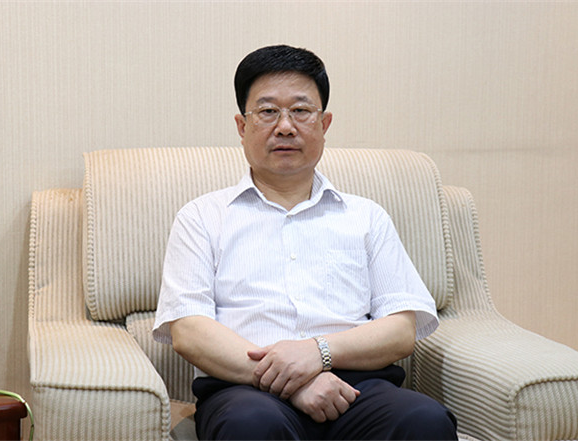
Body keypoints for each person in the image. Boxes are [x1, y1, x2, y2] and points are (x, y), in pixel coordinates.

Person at [153, 44, 458, 440]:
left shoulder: (365, 217)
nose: (285, 127)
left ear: (324, 124)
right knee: (251, 424)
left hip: (358, 390)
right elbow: (189, 331)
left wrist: (318, 352)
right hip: (245, 390)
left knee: (424, 419)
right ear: (242, 127)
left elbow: (401, 329)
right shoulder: (201, 217)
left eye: (300, 111)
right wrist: (295, 382)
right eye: (267, 112)